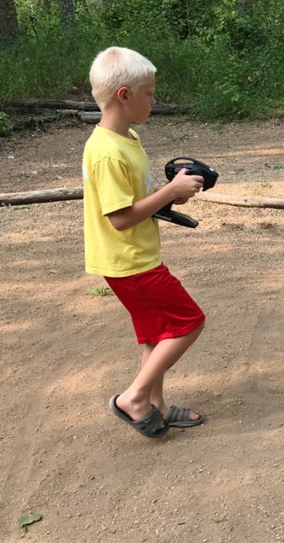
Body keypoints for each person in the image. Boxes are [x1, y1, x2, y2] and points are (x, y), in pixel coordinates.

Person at [82, 46, 208, 438]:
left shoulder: (127, 138)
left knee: (157, 333)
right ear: (125, 95)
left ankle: (157, 406)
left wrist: (173, 195)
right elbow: (120, 219)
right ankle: (134, 398)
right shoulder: (105, 152)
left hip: (135, 258)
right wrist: (171, 190)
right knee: (189, 322)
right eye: (150, 93)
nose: (154, 100)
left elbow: (135, 201)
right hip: (129, 262)